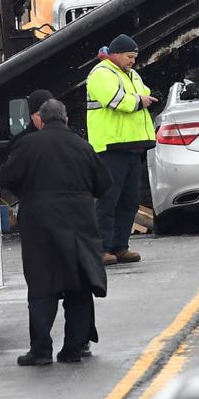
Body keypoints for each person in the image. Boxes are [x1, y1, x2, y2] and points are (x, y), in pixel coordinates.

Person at [0, 99, 112, 365]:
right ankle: (73, 348)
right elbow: (105, 184)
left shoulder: (28, 145)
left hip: (40, 225)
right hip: (79, 225)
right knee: (79, 288)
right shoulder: (82, 146)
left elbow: (5, 177)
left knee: (42, 288)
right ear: (66, 119)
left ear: (41, 120)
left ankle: (40, 350)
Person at [86, 33, 157, 266]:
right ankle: (101, 249)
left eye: (135, 57)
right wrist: (139, 101)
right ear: (115, 55)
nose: (133, 61)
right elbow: (117, 101)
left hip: (131, 147)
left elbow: (142, 93)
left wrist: (141, 98)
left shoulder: (131, 74)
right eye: (129, 56)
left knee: (129, 202)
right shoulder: (101, 74)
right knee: (108, 201)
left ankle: (119, 246)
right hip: (110, 147)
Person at [6, 88, 53, 158]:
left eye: (49, 114)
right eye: (39, 115)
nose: (45, 118)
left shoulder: (67, 136)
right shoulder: (19, 142)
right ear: (32, 116)